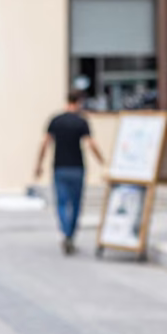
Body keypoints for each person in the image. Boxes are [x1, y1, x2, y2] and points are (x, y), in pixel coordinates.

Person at [35, 90, 104, 254]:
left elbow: (45, 143)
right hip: (77, 167)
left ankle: (65, 233)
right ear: (79, 101)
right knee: (76, 203)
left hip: (59, 167)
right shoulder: (81, 122)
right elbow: (91, 143)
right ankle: (71, 235)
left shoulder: (55, 120)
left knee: (61, 203)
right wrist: (102, 160)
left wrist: (38, 165)